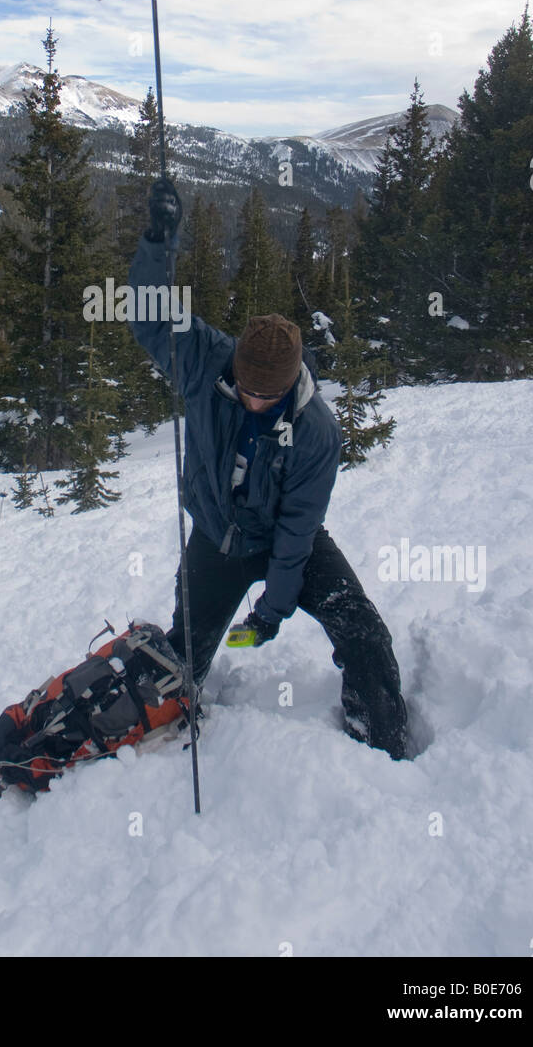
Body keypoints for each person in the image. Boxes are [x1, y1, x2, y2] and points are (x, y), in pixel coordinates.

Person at [126, 178, 410, 760]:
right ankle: (159, 724)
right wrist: (158, 240)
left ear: (291, 382)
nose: (252, 400)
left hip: (286, 542)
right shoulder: (206, 361)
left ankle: (381, 741)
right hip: (215, 538)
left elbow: (297, 531)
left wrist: (271, 613)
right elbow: (151, 317)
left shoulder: (316, 433)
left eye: (266, 395)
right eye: (245, 388)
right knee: (182, 657)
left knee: (364, 633)